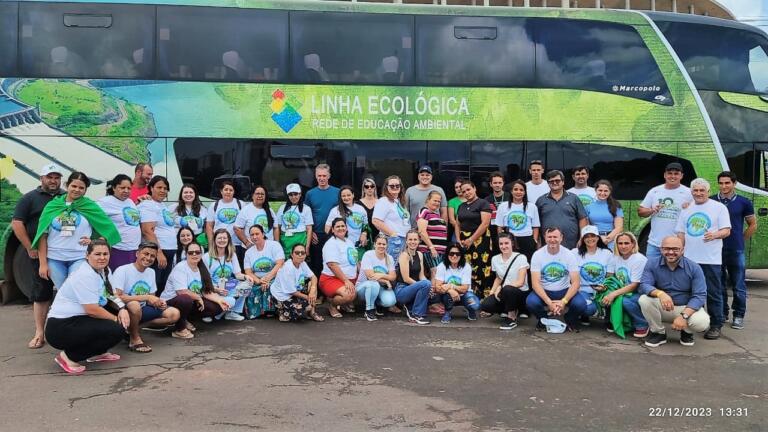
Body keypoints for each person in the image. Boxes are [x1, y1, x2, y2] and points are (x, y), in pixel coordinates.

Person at [45, 239, 128, 375]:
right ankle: (68, 357)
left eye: (105, 254)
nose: (102, 257)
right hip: (60, 327)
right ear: (87, 255)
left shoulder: (104, 270)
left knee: (119, 317)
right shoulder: (84, 275)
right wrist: (115, 319)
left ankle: (98, 352)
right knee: (116, 329)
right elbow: (92, 310)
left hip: (80, 318)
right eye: (97, 254)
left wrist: (122, 309)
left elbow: (110, 294)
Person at [34, 171, 120, 289]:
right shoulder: (52, 206)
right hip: (54, 258)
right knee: (63, 291)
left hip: (80, 257)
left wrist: (94, 242)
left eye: (81, 188)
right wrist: (43, 264)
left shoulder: (90, 206)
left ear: (85, 190)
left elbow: (109, 230)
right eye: (74, 186)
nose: (77, 190)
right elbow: (42, 236)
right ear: (67, 185)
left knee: (76, 288)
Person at [12, 163, 64, 349]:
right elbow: (17, 223)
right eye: (49, 177)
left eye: (57, 177)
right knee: (42, 292)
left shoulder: (66, 197)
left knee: (69, 291)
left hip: (63, 254)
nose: (53, 181)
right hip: (40, 254)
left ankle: (68, 331)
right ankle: (40, 332)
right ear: (41, 178)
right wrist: (29, 247)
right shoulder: (29, 198)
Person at [675, 178, 731, 340]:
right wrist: (679, 251)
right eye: (695, 190)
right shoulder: (686, 209)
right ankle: (692, 322)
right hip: (689, 259)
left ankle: (716, 325)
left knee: (713, 293)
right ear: (691, 192)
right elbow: (681, 233)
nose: (698, 193)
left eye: (702, 190)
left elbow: (726, 230)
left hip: (710, 260)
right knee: (689, 292)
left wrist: (714, 235)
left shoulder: (719, 208)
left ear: (708, 191)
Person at [638, 236, 711, 348]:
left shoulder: (694, 267)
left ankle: (687, 332)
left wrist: (684, 316)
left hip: (686, 307)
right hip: (663, 306)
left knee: (702, 322)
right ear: (661, 249)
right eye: (667, 249)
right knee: (644, 300)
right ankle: (658, 332)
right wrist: (661, 294)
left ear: (682, 250)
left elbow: (700, 295)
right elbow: (644, 285)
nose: (671, 252)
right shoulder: (652, 263)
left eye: (675, 249)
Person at [113, 241, 180, 353]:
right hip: (124, 310)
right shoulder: (123, 270)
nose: (148, 258)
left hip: (143, 309)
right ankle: (134, 338)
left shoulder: (151, 272)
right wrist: (146, 297)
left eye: (152, 256)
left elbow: (151, 299)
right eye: (146, 254)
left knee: (174, 314)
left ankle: (134, 328)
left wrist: (158, 302)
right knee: (134, 305)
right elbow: (117, 297)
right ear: (137, 254)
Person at [712, 171, 757, 330]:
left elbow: (753, 224)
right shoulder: (711, 200)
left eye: (727, 183)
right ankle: (722, 312)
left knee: (738, 285)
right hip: (715, 249)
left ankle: (738, 315)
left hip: (735, 249)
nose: (724, 186)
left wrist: (741, 239)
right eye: (721, 183)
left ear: (734, 183)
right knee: (718, 284)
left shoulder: (744, 202)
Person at [160, 241, 233, 334]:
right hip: (170, 302)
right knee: (185, 299)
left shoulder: (201, 268)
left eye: (197, 252)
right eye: (191, 252)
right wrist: (198, 297)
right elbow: (181, 292)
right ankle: (181, 325)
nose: (194, 254)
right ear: (186, 254)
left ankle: (186, 317)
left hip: (190, 301)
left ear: (201, 254)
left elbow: (205, 291)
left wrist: (220, 300)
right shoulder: (181, 267)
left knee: (215, 307)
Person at [526, 227, 587, 331]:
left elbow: (576, 282)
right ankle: (543, 319)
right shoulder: (537, 255)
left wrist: (563, 301)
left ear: (561, 238)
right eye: (549, 237)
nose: (552, 240)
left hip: (564, 290)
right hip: (544, 290)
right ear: (545, 238)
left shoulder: (569, 255)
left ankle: (570, 318)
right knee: (531, 302)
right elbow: (535, 283)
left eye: (555, 237)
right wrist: (549, 302)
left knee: (581, 304)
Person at [638, 162, 692, 260]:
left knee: (675, 270)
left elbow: (698, 212)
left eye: (676, 174)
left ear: (681, 176)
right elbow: (640, 212)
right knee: (652, 268)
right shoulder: (655, 191)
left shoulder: (689, 193)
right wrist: (652, 210)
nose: (673, 176)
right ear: (664, 175)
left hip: (677, 245)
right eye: (670, 173)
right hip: (655, 245)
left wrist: (690, 208)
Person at [480, 233, 529, 330]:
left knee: (508, 289)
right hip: (504, 292)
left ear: (512, 243)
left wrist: (501, 288)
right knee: (486, 305)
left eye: (506, 243)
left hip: (519, 292)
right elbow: (499, 278)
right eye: (501, 244)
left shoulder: (521, 257)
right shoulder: (495, 259)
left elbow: (520, 282)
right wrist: (492, 293)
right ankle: (507, 309)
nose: (504, 246)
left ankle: (511, 318)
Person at [205, 229, 255, 321]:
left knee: (248, 284)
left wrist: (246, 276)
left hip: (227, 286)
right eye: (219, 238)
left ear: (228, 240)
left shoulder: (232, 255)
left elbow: (238, 274)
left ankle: (232, 312)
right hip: (213, 288)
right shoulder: (207, 257)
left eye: (225, 238)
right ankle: (216, 312)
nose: (222, 240)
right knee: (230, 301)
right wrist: (216, 289)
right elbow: (204, 280)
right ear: (214, 240)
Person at [138, 175, 177, 293]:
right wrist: (158, 253)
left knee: (163, 285)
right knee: (155, 284)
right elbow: (147, 230)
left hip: (169, 250)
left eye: (165, 188)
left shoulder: (163, 206)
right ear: (151, 188)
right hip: (158, 251)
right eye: (159, 187)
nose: (162, 191)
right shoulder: (148, 204)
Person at [606, 232, 649, 336]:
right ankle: (615, 320)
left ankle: (642, 324)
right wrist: (604, 288)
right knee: (604, 294)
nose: (623, 246)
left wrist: (613, 294)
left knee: (624, 301)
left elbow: (634, 285)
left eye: (626, 243)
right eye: (620, 243)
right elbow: (609, 277)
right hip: (622, 290)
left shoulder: (639, 259)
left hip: (638, 292)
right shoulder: (614, 257)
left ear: (633, 244)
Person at [456, 180, 493, 298]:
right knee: (467, 267)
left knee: (482, 267)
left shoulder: (483, 203)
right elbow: (457, 224)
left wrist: (471, 239)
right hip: (464, 241)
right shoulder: (461, 206)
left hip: (480, 240)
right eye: (463, 191)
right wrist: (458, 239)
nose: (466, 193)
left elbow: (485, 224)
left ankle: (484, 297)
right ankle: (470, 296)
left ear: (474, 188)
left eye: (468, 189)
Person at [570, 226, 614, 326]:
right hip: (582, 289)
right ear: (582, 239)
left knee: (611, 298)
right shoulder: (574, 253)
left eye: (593, 236)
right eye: (586, 236)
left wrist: (604, 287)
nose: (590, 239)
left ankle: (609, 319)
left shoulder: (607, 253)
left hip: (602, 289)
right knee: (589, 309)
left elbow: (609, 276)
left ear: (598, 237)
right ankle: (583, 314)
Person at [271, 244, 324, 322]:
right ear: (292, 254)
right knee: (301, 312)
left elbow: (313, 277)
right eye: (297, 252)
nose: (300, 255)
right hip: (283, 295)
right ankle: (281, 311)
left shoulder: (303, 263)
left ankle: (312, 312)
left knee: (311, 284)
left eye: (302, 253)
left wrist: (312, 290)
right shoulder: (288, 268)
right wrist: (309, 297)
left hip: (296, 289)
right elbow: (291, 291)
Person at [535, 170, 587, 250]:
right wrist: (538, 241)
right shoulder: (541, 200)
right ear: (548, 183)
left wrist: (582, 237)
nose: (554, 183)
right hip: (548, 245)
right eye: (551, 181)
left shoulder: (574, 198)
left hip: (572, 245)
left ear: (563, 182)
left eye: (557, 180)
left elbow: (582, 219)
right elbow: (536, 223)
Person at [99, 174, 141, 271]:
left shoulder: (130, 202)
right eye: (122, 188)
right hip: (118, 249)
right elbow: (92, 217)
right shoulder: (105, 202)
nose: (126, 191)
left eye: (129, 188)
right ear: (114, 188)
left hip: (134, 249)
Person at [243, 224, 285, 319]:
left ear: (263, 234)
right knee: (248, 288)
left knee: (271, 285)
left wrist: (267, 279)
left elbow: (280, 263)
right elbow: (248, 272)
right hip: (257, 279)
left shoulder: (274, 245)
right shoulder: (248, 252)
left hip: (274, 277)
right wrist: (259, 281)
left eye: (257, 234)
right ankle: (257, 312)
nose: (254, 237)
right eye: (252, 235)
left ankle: (271, 310)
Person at [319, 218, 358, 318]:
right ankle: (332, 304)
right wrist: (346, 281)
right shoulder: (331, 244)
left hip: (349, 278)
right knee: (349, 295)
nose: (341, 228)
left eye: (343, 226)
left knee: (359, 292)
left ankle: (344, 304)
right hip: (331, 279)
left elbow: (355, 260)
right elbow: (332, 265)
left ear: (346, 228)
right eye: (337, 226)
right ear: (332, 229)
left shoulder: (349, 241)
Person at [305, 164, 340, 276]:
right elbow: (306, 215)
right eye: (319, 176)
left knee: (333, 262)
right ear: (316, 176)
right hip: (316, 235)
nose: (322, 178)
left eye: (324, 175)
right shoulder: (310, 194)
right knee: (317, 264)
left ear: (329, 176)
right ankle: (317, 286)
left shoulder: (338, 192)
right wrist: (311, 233)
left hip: (333, 234)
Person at [433, 243, 481, 323]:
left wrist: (451, 286)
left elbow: (465, 288)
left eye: (457, 254)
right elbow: (437, 287)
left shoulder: (466, 266)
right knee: (446, 296)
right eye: (451, 253)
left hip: (464, 294)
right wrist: (450, 291)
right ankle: (447, 312)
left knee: (475, 305)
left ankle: (471, 310)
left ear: (461, 255)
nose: (454, 256)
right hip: (448, 295)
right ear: (447, 254)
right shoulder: (442, 266)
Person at [495, 179, 540, 262]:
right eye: (515, 189)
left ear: (525, 192)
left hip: (527, 240)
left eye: (521, 190)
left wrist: (535, 240)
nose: (518, 192)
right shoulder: (503, 206)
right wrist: (502, 240)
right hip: (510, 240)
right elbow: (499, 226)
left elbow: (535, 226)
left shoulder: (532, 207)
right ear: (511, 191)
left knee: (526, 264)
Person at [356, 235, 398, 321]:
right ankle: (369, 310)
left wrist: (381, 275)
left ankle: (376, 304)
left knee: (390, 301)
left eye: (384, 244)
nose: (381, 246)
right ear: (374, 244)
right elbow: (370, 276)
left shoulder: (389, 258)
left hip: (380, 287)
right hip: (363, 287)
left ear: (387, 245)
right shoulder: (368, 255)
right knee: (373, 284)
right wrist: (386, 281)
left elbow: (393, 276)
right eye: (379, 243)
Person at [395, 231, 432, 325]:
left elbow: (421, 276)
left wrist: (429, 287)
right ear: (406, 241)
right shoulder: (404, 255)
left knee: (429, 287)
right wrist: (423, 285)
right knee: (426, 284)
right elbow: (406, 278)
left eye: (415, 239)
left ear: (419, 241)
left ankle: (411, 308)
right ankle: (416, 315)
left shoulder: (420, 254)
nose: (413, 242)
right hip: (402, 290)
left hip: (413, 288)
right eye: (410, 239)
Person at [372, 175, 411, 262]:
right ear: (387, 187)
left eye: (397, 185)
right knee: (390, 266)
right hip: (392, 240)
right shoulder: (384, 201)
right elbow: (376, 221)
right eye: (392, 186)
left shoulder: (399, 201)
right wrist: (393, 234)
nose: (395, 187)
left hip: (403, 240)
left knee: (398, 267)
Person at [205, 181, 244, 263]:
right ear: (221, 191)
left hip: (237, 244)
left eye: (231, 190)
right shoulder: (214, 205)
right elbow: (209, 226)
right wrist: (211, 244)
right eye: (226, 189)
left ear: (234, 192)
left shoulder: (241, 204)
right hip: (219, 244)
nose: (228, 192)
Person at [276, 183, 314, 259]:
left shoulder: (306, 209)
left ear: (300, 194)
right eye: (291, 195)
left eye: (296, 194)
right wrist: (277, 244)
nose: (293, 197)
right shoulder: (282, 208)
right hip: (285, 241)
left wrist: (307, 247)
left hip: (300, 240)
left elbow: (309, 229)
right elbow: (278, 227)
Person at [235, 185, 277, 250]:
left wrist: (276, 244)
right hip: (251, 249)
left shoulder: (270, 210)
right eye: (257, 194)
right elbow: (237, 228)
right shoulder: (246, 210)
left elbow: (276, 228)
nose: (260, 196)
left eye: (262, 194)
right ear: (252, 196)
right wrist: (247, 243)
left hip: (268, 249)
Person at [416, 190, 449, 273]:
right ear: (428, 200)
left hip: (439, 251)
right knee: (436, 273)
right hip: (430, 250)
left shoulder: (436, 214)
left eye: (439, 201)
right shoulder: (424, 211)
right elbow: (422, 232)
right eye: (435, 200)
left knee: (439, 274)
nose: (437, 203)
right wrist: (431, 248)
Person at [586, 180, 624, 250]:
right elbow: (587, 227)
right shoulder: (588, 207)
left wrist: (607, 239)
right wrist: (599, 238)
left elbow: (619, 227)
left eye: (606, 191)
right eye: (600, 190)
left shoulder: (616, 206)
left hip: (612, 240)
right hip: (594, 240)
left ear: (610, 192)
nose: (602, 193)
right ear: (596, 190)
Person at [485, 171, 509, 255]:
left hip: (508, 230)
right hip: (492, 231)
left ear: (503, 183)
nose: (497, 185)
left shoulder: (510, 197)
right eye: (495, 183)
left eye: (499, 182)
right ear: (491, 184)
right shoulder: (486, 200)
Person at [446, 177, 465, 242]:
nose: (458, 189)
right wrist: (461, 230)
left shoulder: (471, 200)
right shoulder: (452, 201)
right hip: (458, 232)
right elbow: (452, 220)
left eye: (460, 186)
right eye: (456, 187)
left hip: (473, 231)